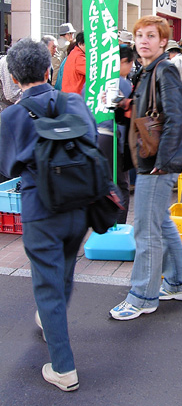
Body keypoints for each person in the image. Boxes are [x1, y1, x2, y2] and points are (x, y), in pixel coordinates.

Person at [0, 38, 98, 391]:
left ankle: (63, 368)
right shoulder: (73, 101)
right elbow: (91, 139)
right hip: (79, 206)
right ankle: (48, 317)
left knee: (47, 286)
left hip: (41, 210)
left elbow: (7, 165)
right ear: (48, 69)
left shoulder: (11, 116)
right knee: (66, 268)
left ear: (13, 76)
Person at [110, 16, 182, 321]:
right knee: (160, 223)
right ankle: (180, 283)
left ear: (162, 42)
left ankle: (142, 296)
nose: (143, 41)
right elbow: (148, 115)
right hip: (152, 160)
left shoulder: (164, 70)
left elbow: (176, 118)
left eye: (151, 36)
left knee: (145, 230)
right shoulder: (147, 71)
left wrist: (162, 163)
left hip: (156, 163)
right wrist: (124, 109)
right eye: (139, 36)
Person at [97, 45, 134, 223]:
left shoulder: (95, 80)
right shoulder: (122, 83)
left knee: (103, 183)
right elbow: (124, 122)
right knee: (121, 186)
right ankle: (117, 230)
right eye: (130, 63)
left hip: (94, 136)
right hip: (111, 138)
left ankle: (102, 226)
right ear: (122, 62)